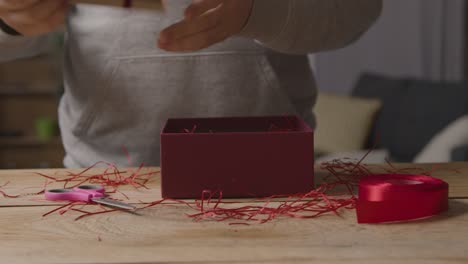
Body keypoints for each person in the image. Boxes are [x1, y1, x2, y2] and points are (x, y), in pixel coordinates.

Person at [0, 0, 382, 167]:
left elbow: (356, 9)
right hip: (102, 185)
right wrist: (10, 17)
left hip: (273, 182)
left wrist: (261, 12)